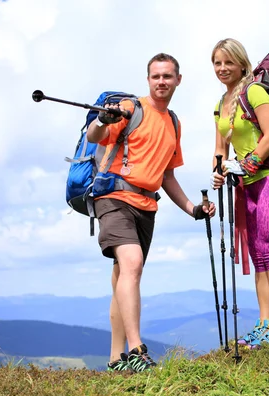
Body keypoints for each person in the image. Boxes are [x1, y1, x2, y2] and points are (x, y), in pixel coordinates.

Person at [85, 53, 215, 373]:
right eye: (155, 76)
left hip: (147, 206)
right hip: (114, 197)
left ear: (178, 80)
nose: (161, 82)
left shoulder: (173, 122)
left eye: (167, 76)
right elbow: (94, 137)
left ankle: (116, 360)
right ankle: (136, 351)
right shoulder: (130, 109)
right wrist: (103, 119)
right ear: (147, 79)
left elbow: (167, 176)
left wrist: (192, 210)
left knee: (122, 276)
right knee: (132, 264)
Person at [210, 38, 269, 349]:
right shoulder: (221, 104)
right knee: (258, 255)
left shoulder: (254, 92)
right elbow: (220, 148)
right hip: (247, 184)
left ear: (242, 63)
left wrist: (247, 164)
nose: (222, 68)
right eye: (217, 63)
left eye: (228, 62)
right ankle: (263, 324)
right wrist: (219, 170)